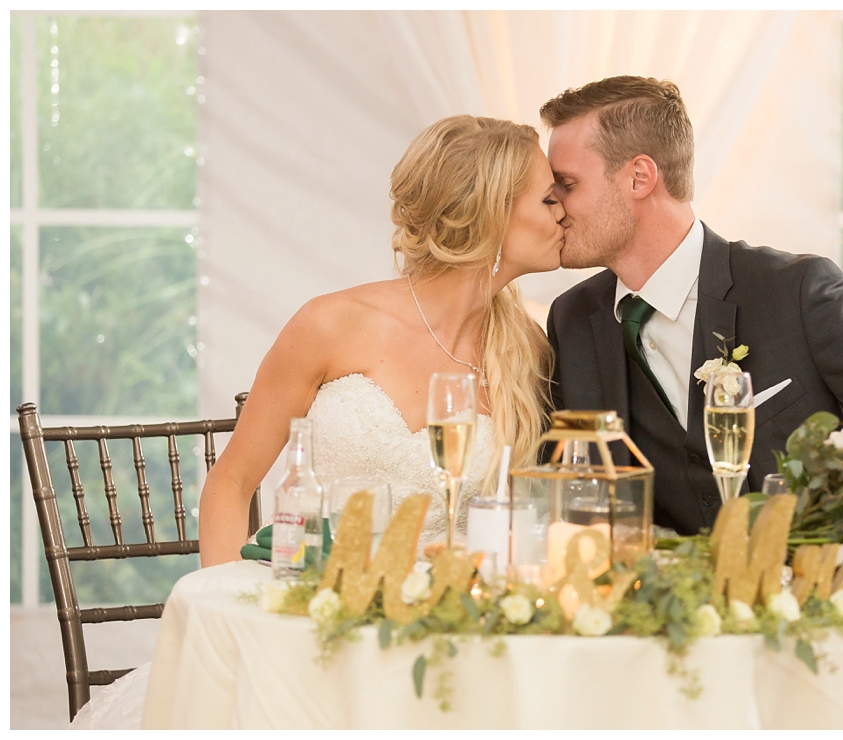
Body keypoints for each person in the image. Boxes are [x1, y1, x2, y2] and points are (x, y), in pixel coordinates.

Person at [540, 75, 843, 730]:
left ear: (639, 177)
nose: (552, 202)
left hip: (825, 667)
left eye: (566, 182)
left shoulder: (793, 293)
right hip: (668, 671)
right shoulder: (576, 319)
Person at [71, 115, 564, 728]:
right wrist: (235, 631)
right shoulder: (332, 323)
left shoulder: (530, 354)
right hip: (308, 624)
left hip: (440, 645)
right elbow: (230, 485)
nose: (564, 212)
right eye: (548, 198)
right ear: (490, 211)